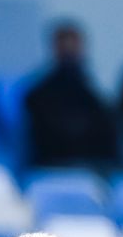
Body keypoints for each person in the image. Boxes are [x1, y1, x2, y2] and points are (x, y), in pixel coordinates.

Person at [23, 21, 117, 169]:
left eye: (73, 45)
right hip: (52, 166)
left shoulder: (94, 93)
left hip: (94, 166)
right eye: (64, 46)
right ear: (54, 48)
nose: (69, 51)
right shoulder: (38, 95)